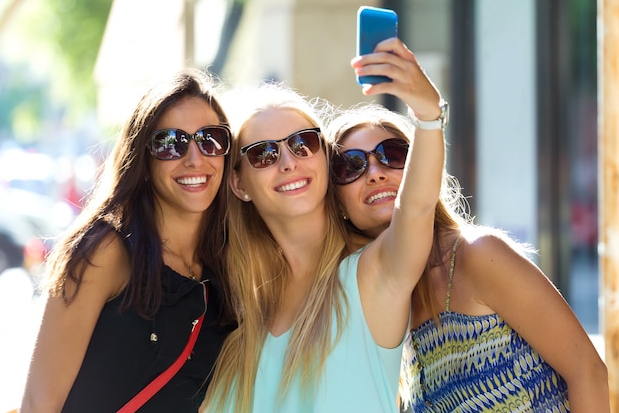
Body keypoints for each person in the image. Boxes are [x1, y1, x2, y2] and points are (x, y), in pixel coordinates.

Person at [328, 69, 610, 413]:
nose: (376, 172)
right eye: (351, 166)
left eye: (393, 153)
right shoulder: (375, 304)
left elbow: (588, 372)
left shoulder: (478, 254)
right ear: (337, 203)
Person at [203, 36, 444, 413]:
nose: (288, 162)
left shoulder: (370, 275)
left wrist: (429, 115)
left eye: (303, 143)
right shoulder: (240, 319)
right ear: (238, 183)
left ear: (324, 160)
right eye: (263, 154)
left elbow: (415, 208)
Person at [19, 69, 236, 413]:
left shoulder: (230, 266)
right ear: (143, 158)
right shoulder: (105, 251)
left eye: (210, 139)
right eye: (170, 143)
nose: (195, 158)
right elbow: (38, 404)